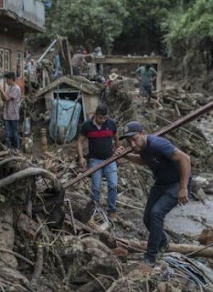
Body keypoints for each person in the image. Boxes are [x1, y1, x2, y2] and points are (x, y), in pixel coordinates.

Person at [117, 121, 191, 266]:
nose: (132, 145)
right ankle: (163, 242)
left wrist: (183, 187)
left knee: (156, 213)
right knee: (147, 219)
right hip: (161, 184)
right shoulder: (141, 148)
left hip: (176, 183)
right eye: (129, 141)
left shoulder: (158, 144)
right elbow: (144, 161)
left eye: (134, 139)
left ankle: (151, 256)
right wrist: (126, 156)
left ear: (143, 134)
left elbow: (185, 158)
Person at [78, 104, 120, 217]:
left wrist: (118, 155)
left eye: (104, 118)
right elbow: (80, 141)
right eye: (100, 117)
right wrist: (81, 157)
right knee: (96, 187)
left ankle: (111, 210)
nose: (102, 120)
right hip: (95, 160)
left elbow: (116, 139)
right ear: (95, 115)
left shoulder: (111, 123)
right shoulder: (87, 125)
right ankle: (95, 210)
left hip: (110, 159)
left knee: (113, 185)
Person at [0, 71, 21, 150]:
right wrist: (1, 91)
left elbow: (7, 98)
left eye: (7, 79)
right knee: (8, 134)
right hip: (7, 114)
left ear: (11, 79)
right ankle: (8, 149)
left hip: (13, 115)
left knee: (15, 133)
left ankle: (17, 149)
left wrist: (1, 89)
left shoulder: (16, 88)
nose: (6, 81)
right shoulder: (10, 88)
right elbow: (3, 98)